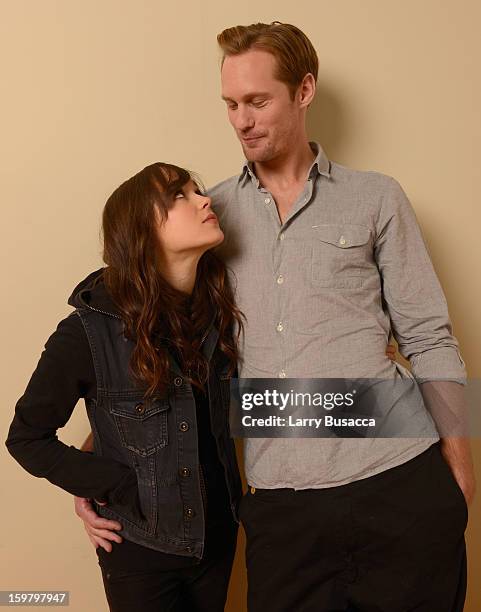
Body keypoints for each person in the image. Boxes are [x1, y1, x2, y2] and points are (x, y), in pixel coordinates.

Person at [77, 22, 475, 612]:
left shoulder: (376, 197)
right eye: (231, 104)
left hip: (399, 477)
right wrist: (97, 460)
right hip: (283, 500)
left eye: (258, 101)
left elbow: (429, 336)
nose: (241, 120)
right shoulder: (210, 213)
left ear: (304, 90)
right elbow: (160, 343)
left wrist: (459, 472)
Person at [5, 162, 244, 612]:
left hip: (218, 540)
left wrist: (376, 387)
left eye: (198, 191)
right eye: (180, 196)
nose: (204, 200)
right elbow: (26, 439)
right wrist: (109, 485)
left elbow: (219, 414)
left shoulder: (218, 313)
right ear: (141, 229)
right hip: (139, 550)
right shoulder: (87, 333)